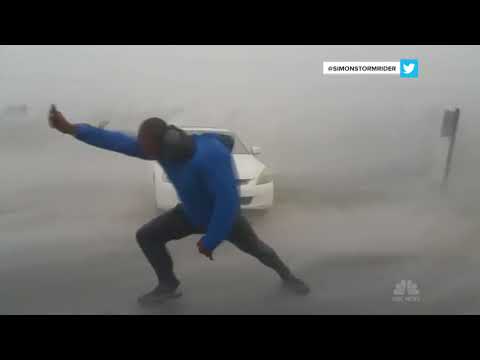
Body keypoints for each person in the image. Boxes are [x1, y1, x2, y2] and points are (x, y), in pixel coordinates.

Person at [48, 106, 310, 305]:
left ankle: (288, 276)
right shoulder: (159, 149)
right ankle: (168, 284)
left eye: (145, 145)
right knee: (147, 236)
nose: (141, 150)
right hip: (189, 213)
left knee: (259, 250)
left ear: (161, 141)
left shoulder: (208, 156)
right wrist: (71, 129)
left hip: (224, 219)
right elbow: (115, 140)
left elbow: (227, 203)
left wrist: (211, 240)